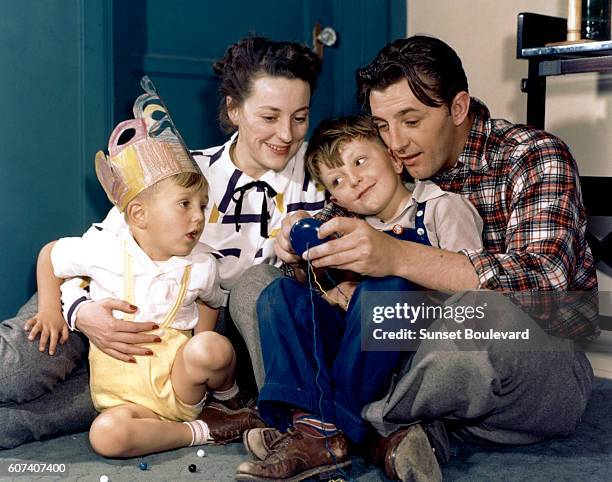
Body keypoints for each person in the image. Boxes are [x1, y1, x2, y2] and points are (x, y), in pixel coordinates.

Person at [234, 35, 598, 481]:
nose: (396, 143)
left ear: (458, 108)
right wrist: (299, 246)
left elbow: (550, 290)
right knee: (258, 284)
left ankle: (323, 423)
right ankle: (381, 431)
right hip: (391, 358)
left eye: (411, 120)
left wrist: (396, 257)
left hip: (519, 364)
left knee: (480, 315)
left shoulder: (533, 156)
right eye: (382, 127)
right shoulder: (377, 168)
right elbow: (316, 272)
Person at [0, 36, 323, 449]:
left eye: (300, 117)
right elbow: (95, 252)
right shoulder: (180, 172)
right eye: (269, 116)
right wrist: (84, 314)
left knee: (42, 419)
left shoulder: (321, 182)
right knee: (13, 372)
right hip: (94, 299)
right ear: (234, 109)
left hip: (179, 348)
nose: (286, 134)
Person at [233, 114, 483, 481]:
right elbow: (318, 287)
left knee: (387, 290)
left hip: (414, 351)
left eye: (360, 161)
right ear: (335, 197)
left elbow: (473, 290)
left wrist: (386, 279)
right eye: (337, 180)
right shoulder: (348, 228)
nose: (352, 179)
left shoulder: (442, 207)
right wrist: (319, 275)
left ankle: (319, 431)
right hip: (357, 350)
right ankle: (321, 427)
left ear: (396, 160)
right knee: (279, 294)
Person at [28, 77, 260, 457]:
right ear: (138, 213)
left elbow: (211, 303)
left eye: (202, 205)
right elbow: (51, 254)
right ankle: (202, 432)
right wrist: (51, 310)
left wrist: (198, 348)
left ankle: (230, 401)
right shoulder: (105, 249)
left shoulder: (201, 264)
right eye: (185, 204)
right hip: (123, 400)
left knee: (211, 348)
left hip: (180, 388)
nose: (199, 217)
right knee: (106, 436)